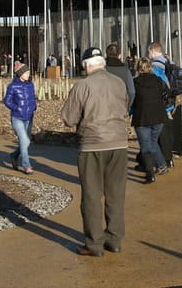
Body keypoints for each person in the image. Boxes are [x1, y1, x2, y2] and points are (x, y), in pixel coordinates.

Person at [61, 47, 129, 257]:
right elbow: (126, 106)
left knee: (91, 196)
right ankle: (114, 239)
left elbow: (68, 118)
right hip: (119, 143)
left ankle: (94, 244)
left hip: (92, 144)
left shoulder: (83, 86)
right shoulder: (119, 83)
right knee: (115, 194)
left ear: (86, 65)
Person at [131, 58, 170, 183]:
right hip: (158, 116)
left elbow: (131, 98)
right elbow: (167, 94)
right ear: (150, 67)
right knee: (152, 142)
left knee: (146, 146)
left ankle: (149, 173)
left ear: (138, 68)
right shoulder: (158, 81)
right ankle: (162, 165)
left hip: (142, 117)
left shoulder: (135, 82)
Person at [4, 62, 37, 174]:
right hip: (17, 118)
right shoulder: (12, 86)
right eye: (26, 72)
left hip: (29, 117)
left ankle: (14, 155)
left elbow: (33, 98)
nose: (28, 74)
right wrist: (16, 108)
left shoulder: (30, 85)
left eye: (28, 72)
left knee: (26, 142)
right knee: (24, 140)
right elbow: (7, 101)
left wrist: (34, 107)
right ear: (20, 74)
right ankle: (26, 165)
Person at [104, 43, 135, 109]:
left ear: (105, 55)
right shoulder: (125, 71)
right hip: (120, 107)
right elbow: (131, 92)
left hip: (103, 107)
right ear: (119, 56)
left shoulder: (102, 69)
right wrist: (127, 106)